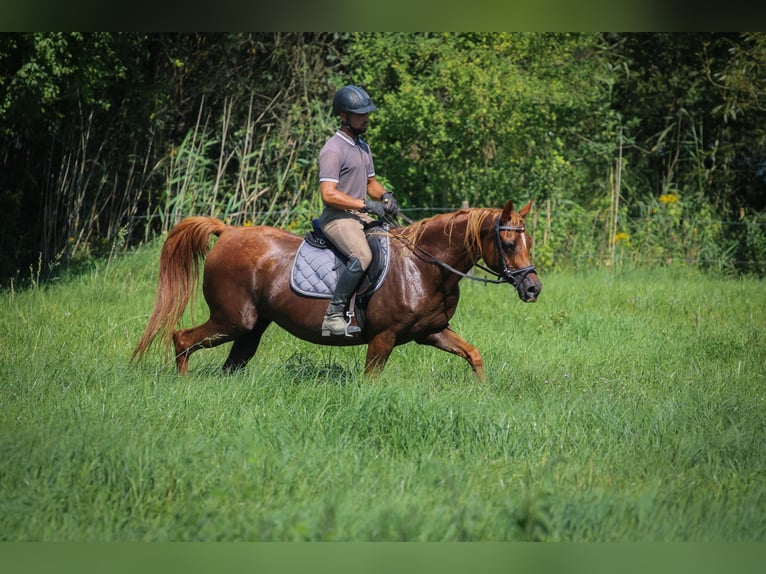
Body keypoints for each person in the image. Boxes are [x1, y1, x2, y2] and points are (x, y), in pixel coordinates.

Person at [317, 85, 399, 337]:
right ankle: (333, 315)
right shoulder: (333, 149)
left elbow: (370, 184)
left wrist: (384, 196)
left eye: (368, 112)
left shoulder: (362, 146)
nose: (366, 117)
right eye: (360, 113)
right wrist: (365, 204)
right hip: (337, 218)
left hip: (359, 216)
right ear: (343, 116)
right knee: (362, 255)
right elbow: (328, 194)